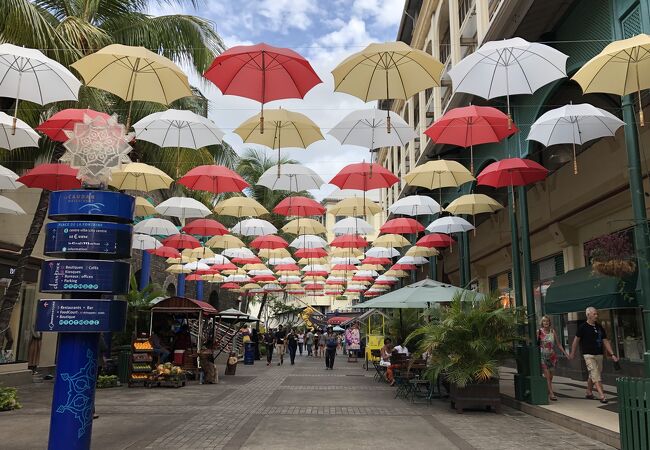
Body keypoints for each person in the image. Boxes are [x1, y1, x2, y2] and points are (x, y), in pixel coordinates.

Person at [569, 307, 619, 403]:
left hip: (599, 354)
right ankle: (602, 395)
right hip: (588, 355)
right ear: (588, 315)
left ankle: (589, 392)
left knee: (594, 374)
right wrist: (572, 353)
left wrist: (612, 354)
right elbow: (575, 341)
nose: (596, 316)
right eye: (594, 314)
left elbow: (605, 341)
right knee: (595, 375)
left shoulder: (599, 327)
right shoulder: (582, 327)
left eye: (596, 314)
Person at [538, 315, 568, 401]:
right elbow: (537, 344)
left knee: (551, 376)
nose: (546, 323)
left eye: (547, 321)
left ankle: (548, 389)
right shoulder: (539, 332)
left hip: (552, 356)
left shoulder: (552, 331)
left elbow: (558, 344)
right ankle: (551, 393)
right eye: (544, 321)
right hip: (543, 356)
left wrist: (565, 353)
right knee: (547, 376)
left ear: (549, 322)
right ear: (542, 323)